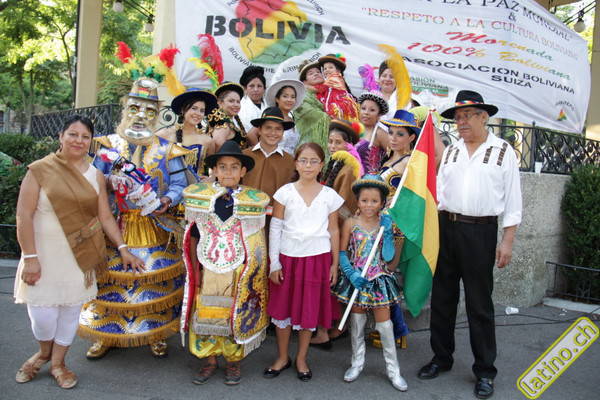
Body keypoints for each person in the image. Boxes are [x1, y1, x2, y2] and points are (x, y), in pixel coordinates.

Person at [14, 115, 144, 389]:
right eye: (73, 134)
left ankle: (58, 364)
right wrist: (30, 258)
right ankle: (44, 353)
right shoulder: (39, 170)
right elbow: (24, 216)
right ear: (61, 137)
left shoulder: (95, 174)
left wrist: (123, 248)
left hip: (80, 255)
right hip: (42, 256)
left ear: (91, 142)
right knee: (43, 318)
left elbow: (105, 216)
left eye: (85, 137)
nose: (79, 141)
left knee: (70, 313)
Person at [417, 90, 522, 400]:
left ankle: (485, 371)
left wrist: (507, 241)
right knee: (442, 299)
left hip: (480, 232)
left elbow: (513, 201)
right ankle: (441, 358)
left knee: (479, 304)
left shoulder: (503, 151)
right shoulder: (451, 151)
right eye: (458, 117)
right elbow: (439, 193)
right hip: (446, 229)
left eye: (467, 116)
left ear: (483, 117)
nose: (461, 122)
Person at [79, 76, 190, 359]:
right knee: (110, 280)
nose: (141, 116)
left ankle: (155, 332)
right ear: (125, 110)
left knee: (152, 279)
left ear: (158, 115)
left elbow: (181, 185)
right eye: (135, 108)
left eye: (149, 111)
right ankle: (106, 334)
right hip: (114, 224)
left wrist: (167, 199)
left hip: (154, 224)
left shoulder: (168, 149)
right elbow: (91, 182)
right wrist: (109, 184)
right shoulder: (107, 146)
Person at [180, 140, 270, 386]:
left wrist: (252, 271)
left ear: (243, 171)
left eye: (234, 167)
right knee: (206, 310)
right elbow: (194, 235)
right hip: (208, 265)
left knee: (234, 312)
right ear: (215, 170)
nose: (228, 172)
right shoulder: (201, 198)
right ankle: (209, 359)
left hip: (238, 269)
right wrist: (194, 268)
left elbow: (255, 240)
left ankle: (233, 360)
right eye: (222, 167)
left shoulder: (253, 201)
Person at [264, 143, 343, 381]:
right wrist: (274, 262)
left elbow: (334, 230)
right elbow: (275, 227)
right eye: (304, 160)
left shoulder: (329, 196)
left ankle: (301, 358)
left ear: (321, 165)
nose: (308, 165)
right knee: (283, 309)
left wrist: (334, 264)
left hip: (317, 259)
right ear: (296, 163)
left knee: (308, 310)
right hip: (288, 258)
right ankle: (282, 357)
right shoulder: (284, 193)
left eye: (313, 161)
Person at [332, 174, 407, 391]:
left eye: (374, 201)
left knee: (385, 326)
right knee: (356, 323)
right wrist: (351, 273)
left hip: (379, 279)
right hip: (357, 279)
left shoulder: (385, 223)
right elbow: (343, 252)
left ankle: (394, 371)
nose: (369, 205)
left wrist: (388, 232)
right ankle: (357, 363)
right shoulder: (350, 223)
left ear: (382, 203)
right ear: (357, 201)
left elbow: (388, 256)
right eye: (364, 200)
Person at [242, 107, 296, 217]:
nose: (273, 133)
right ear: (259, 130)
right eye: (268, 128)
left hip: (276, 219)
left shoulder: (290, 161)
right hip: (244, 216)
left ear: (283, 132)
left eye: (278, 129)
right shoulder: (244, 156)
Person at [157, 88, 218, 176]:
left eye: (202, 110)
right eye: (194, 108)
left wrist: (211, 178)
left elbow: (212, 168)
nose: (198, 113)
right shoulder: (164, 134)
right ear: (182, 110)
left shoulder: (208, 140)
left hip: (198, 185)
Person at [321, 119, 362, 222]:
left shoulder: (350, 169)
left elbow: (345, 204)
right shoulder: (335, 162)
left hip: (337, 221)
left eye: (338, 142)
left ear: (349, 145)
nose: (332, 146)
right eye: (330, 141)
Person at [294, 59, 331, 154]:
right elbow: (317, 116)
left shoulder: (330, 93)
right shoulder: (301, 97)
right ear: (304, 81)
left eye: (318, 72)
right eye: (311, 73)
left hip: (330, 146)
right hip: (309, 148)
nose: (316, 74)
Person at [264, 79, 306, 155]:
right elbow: (252, 134)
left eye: (293, 97)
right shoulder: (271, 117)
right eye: (285, 96)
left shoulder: (292, 119)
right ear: (277, 99)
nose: (289, 100)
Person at [315, 54, 360, 122]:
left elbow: (320, 89)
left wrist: (307, 86)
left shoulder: (335, 78)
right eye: (325, 69)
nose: (327, 70)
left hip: (339, 109)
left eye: (330, 67)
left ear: (338, 70)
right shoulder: (331, 81)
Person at [356, 91, 390, 174]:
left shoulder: (379, 133)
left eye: (372, 110)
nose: (366, 113)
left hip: (369, 180)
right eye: (363, 108)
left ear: (379, 115)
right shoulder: (354, 128)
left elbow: (394, 155)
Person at [208, 82, 248, 150]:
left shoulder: (228, 122)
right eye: (231, 101)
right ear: (220, 103)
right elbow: (217, 148)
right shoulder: (223, 125)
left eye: (238, 102)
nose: (236, 105)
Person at [238, 66, 267, 145]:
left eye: (259, 86)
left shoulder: (270, 105)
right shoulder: (240, 107)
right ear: (245, 88)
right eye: (251, 86)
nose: (256, 89)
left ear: (264, 88)